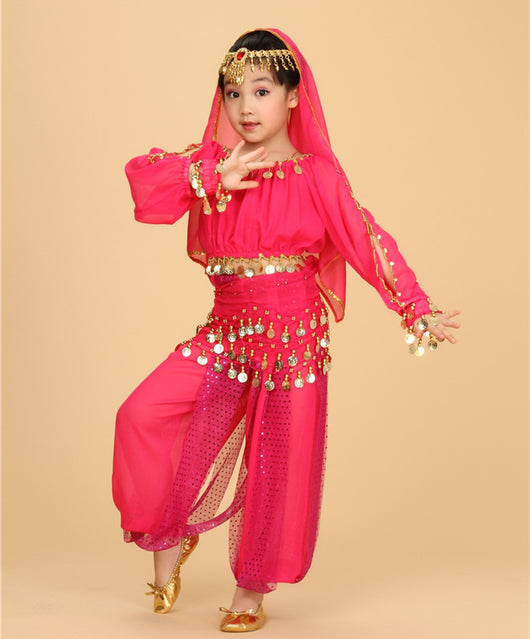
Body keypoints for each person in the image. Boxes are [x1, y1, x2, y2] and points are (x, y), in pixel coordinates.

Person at [112, 28, 461, 633]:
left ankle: (250, 593)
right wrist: (207, 175)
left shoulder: (316, 176)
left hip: (293, 344)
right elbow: (144, 182)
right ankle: (166, 534)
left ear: (293, 96)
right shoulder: (213, 165)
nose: (245, 107)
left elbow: (366, 238)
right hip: (224, 337)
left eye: (262, 91)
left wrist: (415, 306)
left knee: (276, 467)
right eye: (232, 93)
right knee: (140, 414)